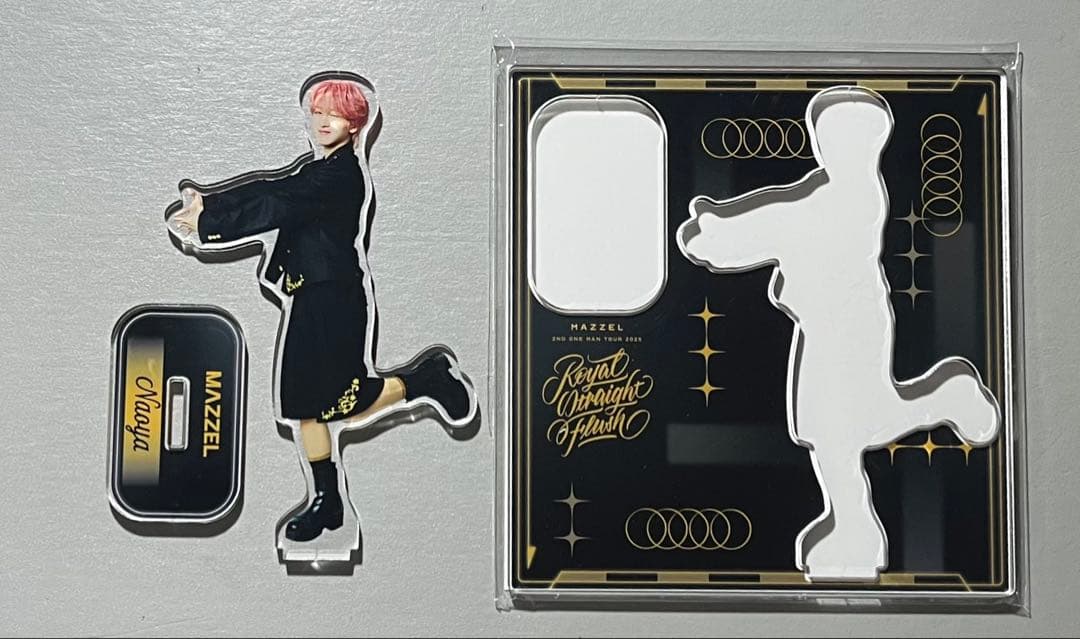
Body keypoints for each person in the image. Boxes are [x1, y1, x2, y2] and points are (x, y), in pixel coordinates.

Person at [171, 77, 475, 542]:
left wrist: (209, 223)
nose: (322, 122)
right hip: (307, 296)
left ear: (355, 124)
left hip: (335, 299)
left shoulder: (340, 176)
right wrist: (209, 202)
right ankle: (327, 500)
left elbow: (277, 203)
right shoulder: (317, 169)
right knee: (304, 407)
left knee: (344, 402)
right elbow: (269, 186)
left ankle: (425, 380)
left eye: (333, 114)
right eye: (315, 113)